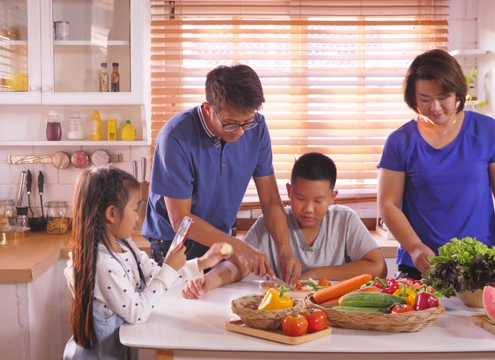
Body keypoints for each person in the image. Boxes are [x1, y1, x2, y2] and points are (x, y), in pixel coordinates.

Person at [377, 48, 495, 280]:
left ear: (458, 94)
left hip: (481, 264)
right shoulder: (400, 141)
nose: (435, 108)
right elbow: (388, 204)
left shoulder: (486, 130)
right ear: (413, 98)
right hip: (422, 264)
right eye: (425, 99)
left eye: (443, 97)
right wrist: (414, 246)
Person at [142, 64, 302, 283]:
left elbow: (271, 199)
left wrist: (286, 253)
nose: (239, 131)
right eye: (230, 124)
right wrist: (240, 247)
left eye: (246, 122)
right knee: (179, 311)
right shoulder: (175, 137)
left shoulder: (257, 127)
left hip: (223, 237)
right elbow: (181, 219)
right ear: (208, 109)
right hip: (175, 244)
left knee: (219, 307)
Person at [63, 166, 230, 359]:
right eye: (134, 208)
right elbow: (136, 313)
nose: (137, 217)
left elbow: (156, 276)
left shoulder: (126, 245)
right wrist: (168, 269)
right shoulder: (103, 264)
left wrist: (202, 262)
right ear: (111, 214)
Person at [182, 152, 387, 299]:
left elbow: (378, 267)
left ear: (333, 198)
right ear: (289, 192)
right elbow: (236, 265)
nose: (308, 209)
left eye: (318, 201)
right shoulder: (271, 224)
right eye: (300, 198)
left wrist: (314, 274)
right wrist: (209, 280)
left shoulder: (345, 220)